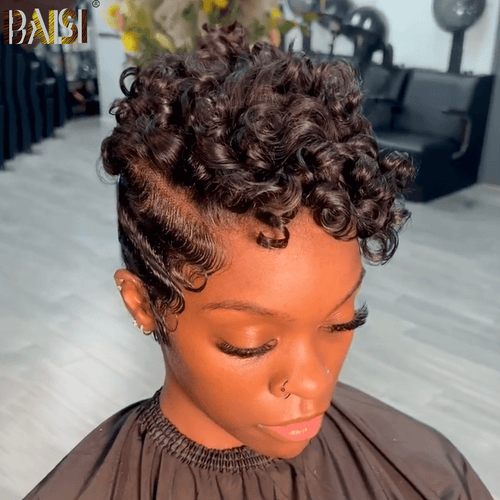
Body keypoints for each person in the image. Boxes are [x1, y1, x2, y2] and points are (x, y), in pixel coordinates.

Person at [23, 21, 493, 500]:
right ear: (143, 304)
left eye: (340, 322)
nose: (313, 383)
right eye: (249, 343)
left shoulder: (427, 475)